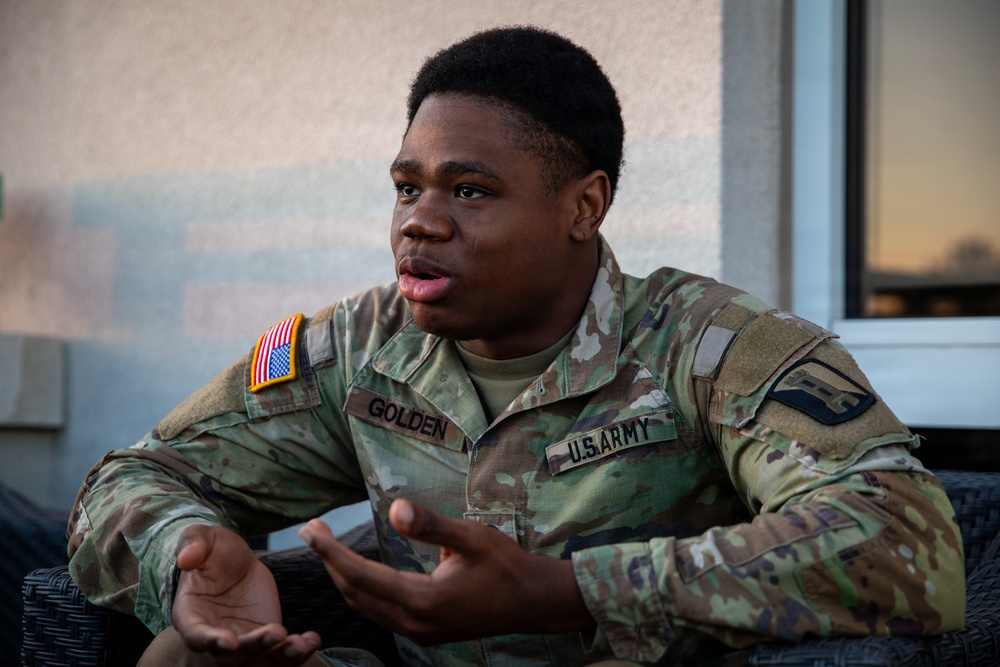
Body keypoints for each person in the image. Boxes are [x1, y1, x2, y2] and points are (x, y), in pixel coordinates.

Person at [67, 26, 965, 667]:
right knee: (188, 652)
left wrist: (567, 592)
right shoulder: (358, 347)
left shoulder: (710, 347)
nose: (419, 220)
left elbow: (904, 534)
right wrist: (186, 550)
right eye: (407, 185)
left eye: (471, 190)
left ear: (584, 207)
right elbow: (133, 475)